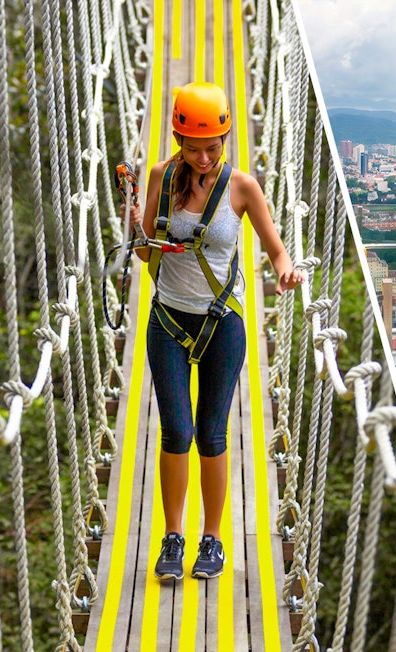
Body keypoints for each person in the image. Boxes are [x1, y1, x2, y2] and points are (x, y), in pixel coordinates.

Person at [131, 81, 305, 581]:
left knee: (210, 434)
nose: (204, 157)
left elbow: (275, 247)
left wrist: (286, 271)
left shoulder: (242, 187)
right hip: (167, 319)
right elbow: (145, 253)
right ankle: (172, 536)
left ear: (226, 139)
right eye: (194, 148)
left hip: (221, 322)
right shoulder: (161, 177)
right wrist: (139, 228)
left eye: (214, 147)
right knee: (175, 432)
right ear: (178, 141)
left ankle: (212, 538)